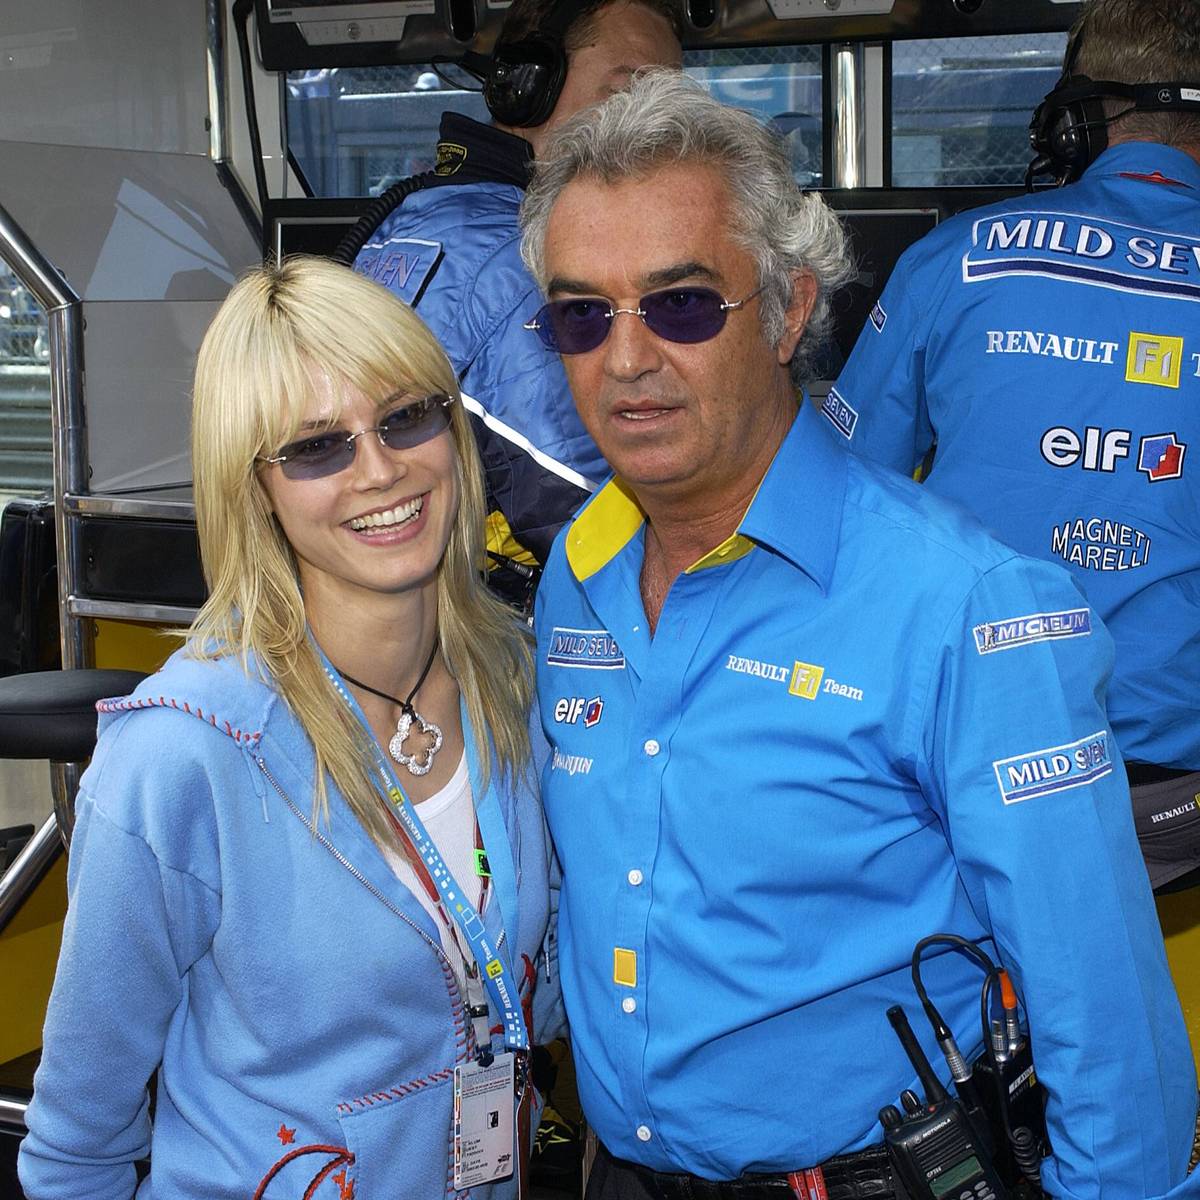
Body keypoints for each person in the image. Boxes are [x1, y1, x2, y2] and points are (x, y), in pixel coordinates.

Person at [519, 70, 1200, 1199]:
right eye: (582, 314)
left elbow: (1107, 1017)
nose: (626, 359)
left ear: (788, 310)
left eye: (681, 305)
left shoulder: (970, 607)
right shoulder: (575, 577)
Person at [19, 257, 562, 1200]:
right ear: (254, 488)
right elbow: (75, 1150)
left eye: (406, 417)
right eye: (317, 448)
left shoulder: (517, 679)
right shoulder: (181, 755)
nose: (380, 469)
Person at [831, 0, 1200, 889]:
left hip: (982, 771)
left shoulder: (953, 259)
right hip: (1181, 804)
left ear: (1073, 118)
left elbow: (840, 494)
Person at [352, 0, 682, 578]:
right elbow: (599, 525)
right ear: (530, 85)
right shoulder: (522, 263)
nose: (662, 127)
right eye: (631, 93)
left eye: (673, 104)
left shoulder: (416, 221)